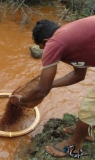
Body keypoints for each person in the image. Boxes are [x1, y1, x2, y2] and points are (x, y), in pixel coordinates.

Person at [9, 16, 95, 158]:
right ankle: (86, 132)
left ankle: (75, 145)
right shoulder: (69, 37)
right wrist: (50, 85)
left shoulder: (54, 42)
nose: (45, 52)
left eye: (43, 49)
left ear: (45, 42)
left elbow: (42, 90)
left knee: (89, 105)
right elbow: (78, 75)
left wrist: (22, 100)